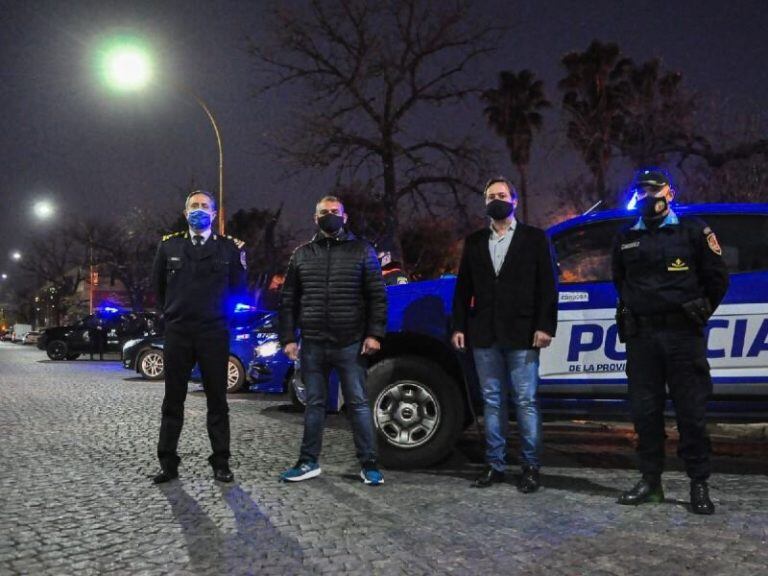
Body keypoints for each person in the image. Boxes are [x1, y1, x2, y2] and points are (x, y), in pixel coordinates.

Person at [612, 168, 729, 514]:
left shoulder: (693, 231)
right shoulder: (625, 237)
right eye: (641, 191)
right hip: (642, 338)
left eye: (654, 189)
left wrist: (700, 311)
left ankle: (698, 483)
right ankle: (651, 482)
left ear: (670, 192)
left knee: (691, 413)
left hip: (682, 337)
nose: (648, 196)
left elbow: (718, 279)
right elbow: (620, 280)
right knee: (645, 413)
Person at [451, 176, 558, 491]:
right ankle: (495, 465)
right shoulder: (474, 242)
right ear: (485, 203)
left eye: (501, 194)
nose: (495, 199)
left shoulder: (535, 239)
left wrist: (544, 326)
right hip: (484, 334)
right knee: (492, 401)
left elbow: (547, 288)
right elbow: (463, 289)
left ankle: (530, 467)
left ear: (514, 201)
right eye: (490, 196)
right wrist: (459, 326)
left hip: (523, 333)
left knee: (525, 401)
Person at [278, 195, 387, 485]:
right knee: (314, 404)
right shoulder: (302, 254)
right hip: (313, 343)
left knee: (359, 404)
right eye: (324, 212)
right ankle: (307, 461)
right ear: (315, 219)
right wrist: (288, 338)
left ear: (345, 216)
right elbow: (288, 299)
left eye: (335, 212)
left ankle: (370, 464)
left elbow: (377, 295)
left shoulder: (363, 250)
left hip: (350, 342)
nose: (330, 216)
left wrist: (374, 334)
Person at [151, 190, 247, 484]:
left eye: (205, 206)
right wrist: (173, 312)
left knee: (217, 400)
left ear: (215, 214)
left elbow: (239, 289)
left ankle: (221, 462)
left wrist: (221, 316)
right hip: (178, 331)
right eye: (194, 206)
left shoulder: (230, 249)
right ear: (185, 212)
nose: (199, 210)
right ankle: (168, 463)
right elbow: (158, 288)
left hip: (213, 332)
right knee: (173, 400)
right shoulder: (169, 247)